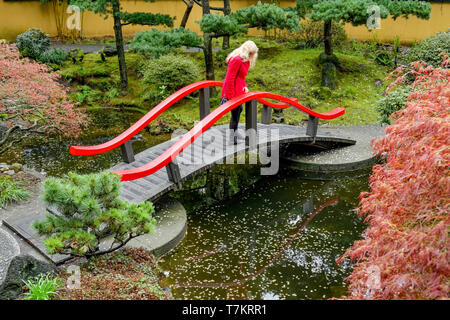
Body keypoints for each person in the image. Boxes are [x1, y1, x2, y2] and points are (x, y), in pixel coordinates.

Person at [221, 40, 259, 144]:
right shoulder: (237, 60)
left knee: (238, 111)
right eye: (251, 53)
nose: (252, 55)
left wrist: (245, 87)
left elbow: (241, 77)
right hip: (232, 91)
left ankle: (234, 134)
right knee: (236, 112)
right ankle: (232, 138)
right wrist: (228, 96)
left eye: (253, 53)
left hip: (239, 89)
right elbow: (230, 78)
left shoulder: (244, 60)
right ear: (247, 51)